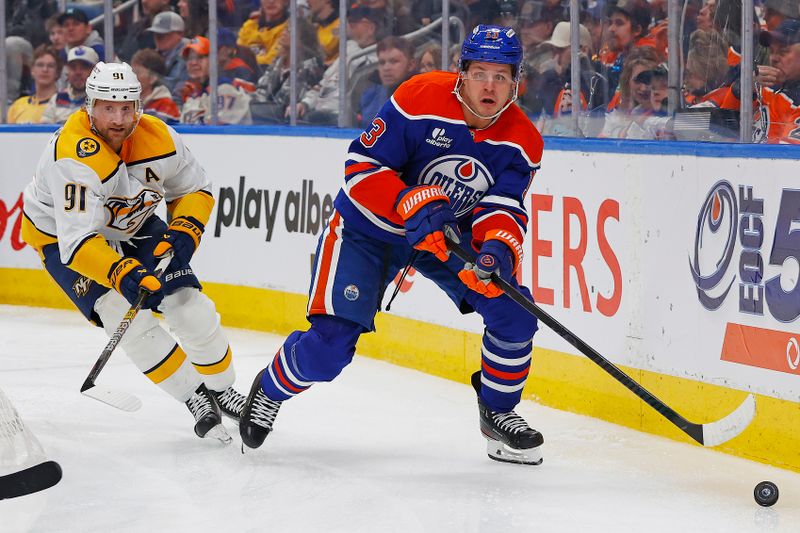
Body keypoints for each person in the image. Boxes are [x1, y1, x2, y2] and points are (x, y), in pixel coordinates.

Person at [240, 25, 545, 466]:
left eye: (501, 76)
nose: (489, 86)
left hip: (444, 239)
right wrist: (409, 201)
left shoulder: (523, 140)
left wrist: (497, 248)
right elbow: (361, 167)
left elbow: (503, 206)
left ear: (516, 82)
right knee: (329, 349)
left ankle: (497, 411)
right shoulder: (419, 97)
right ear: (462, 73)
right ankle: (269, 390)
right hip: (367, 230)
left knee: (514, 312)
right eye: (480, 73)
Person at [21, 62, 247, 442]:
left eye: (126, 108)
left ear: (138, 107)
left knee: (188, 304)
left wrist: (186, 228)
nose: (118, 119)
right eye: (108, 108)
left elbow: (195, 188)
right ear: (90, 106)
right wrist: (123, 274)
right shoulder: (73, 157)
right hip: (62, 237)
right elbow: (78, 241)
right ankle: (194, 396)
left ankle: (223, 390)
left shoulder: (158, 137)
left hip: (131, 223)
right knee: (122, 316)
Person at [179, 36, 254, 124]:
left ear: (214, 60)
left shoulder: (225, 89)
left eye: (200, 57)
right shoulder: (194, 93)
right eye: (189, 58)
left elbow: (220, 129)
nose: (193, 62)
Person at [354, 36, 417, 128]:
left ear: (411, 65)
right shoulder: (370, 96)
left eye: (394, 62)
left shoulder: (422, 97)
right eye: (382, 62)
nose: (386, 68)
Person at [40, 45, 98, 124]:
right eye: (73, 67)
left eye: (84, 67)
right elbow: (44, 128)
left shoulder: (101, 101)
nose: (78, 72)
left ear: (95, 71)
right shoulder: (57, 98)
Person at [7, 45, 61, 124]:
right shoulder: (18, 105)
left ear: (57, 72)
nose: (45, 69)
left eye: (50, 66)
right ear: (32, 70)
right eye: (40, 65)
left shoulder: (63, 105)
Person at [146, 11, 190, 103]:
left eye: (163, 34)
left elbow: (176, 90)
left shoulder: (189, 53)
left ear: (180, 34)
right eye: (155, 33)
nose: (158, 38)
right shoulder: (154, 54)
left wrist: (147, 77)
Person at [131, 48, 181, 124]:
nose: (131, 76)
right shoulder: (127, 102)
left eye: (137, 72)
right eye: (131, 72)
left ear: (153, 78)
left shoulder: (166, 104)